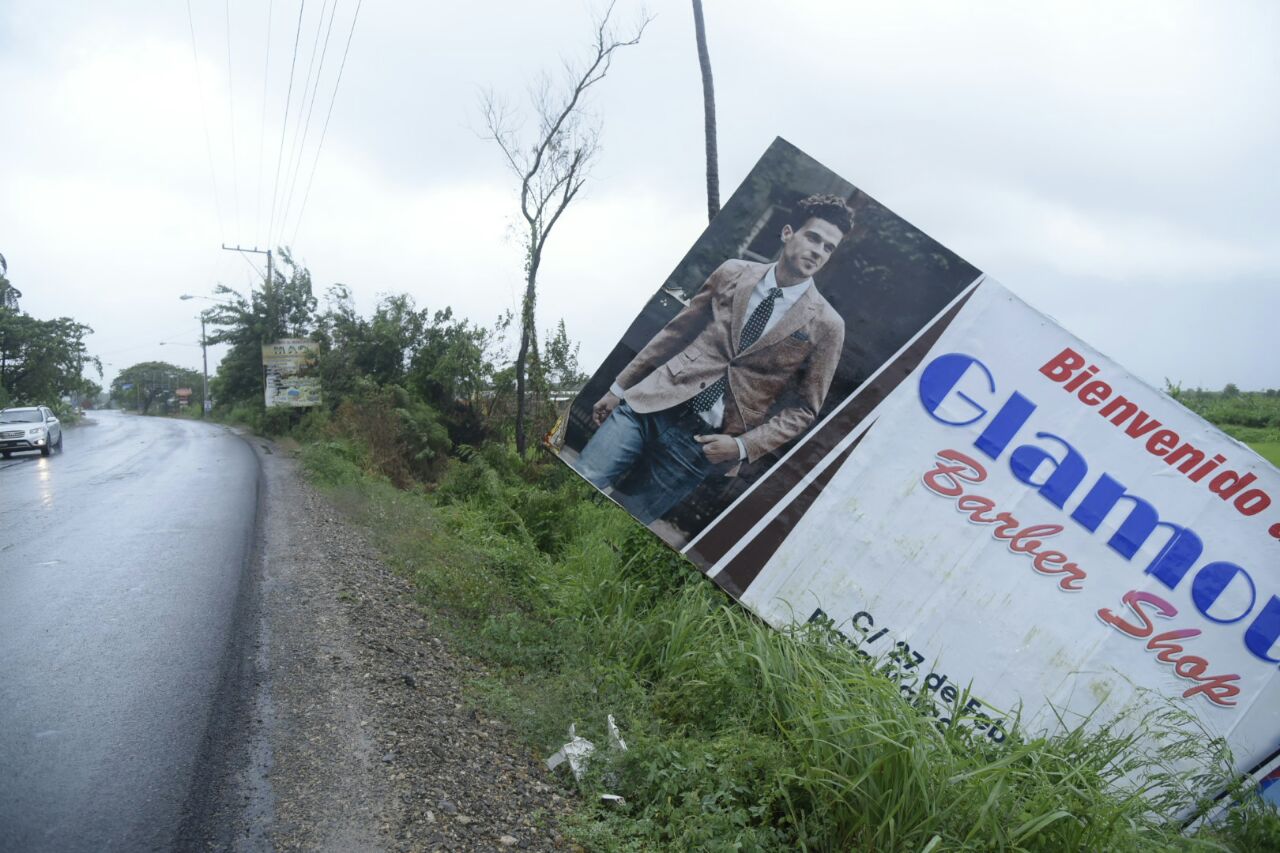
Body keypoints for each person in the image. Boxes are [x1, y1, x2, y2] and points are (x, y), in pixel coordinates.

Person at [574, 193, 852, 524]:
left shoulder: (827, 324)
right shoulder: (733, 272)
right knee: (579, 482)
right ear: (788, 233)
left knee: (615, 526)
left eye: (828, 248)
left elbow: (806, 409)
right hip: (652, 403)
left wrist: (743, 447)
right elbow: (675, 333)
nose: (818, 251)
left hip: (701, 443)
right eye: (814, 238)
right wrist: (619, 388)